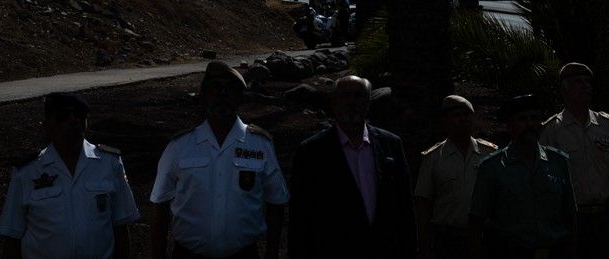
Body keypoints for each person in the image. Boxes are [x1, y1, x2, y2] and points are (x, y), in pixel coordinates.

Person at [149, 61, 289, 259]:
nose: (222, 95)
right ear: (204, 96)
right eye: (215, 88)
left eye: (230, 89)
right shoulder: (180, 146)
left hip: (244, 254)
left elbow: (276, 202)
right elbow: (160, 204)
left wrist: (272, 253)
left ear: (240, 97)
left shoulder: (260, 144)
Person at [0, 92, 140, 259]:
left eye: (79, 115)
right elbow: (13, 236)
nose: (73, 121)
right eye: (62, 116)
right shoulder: (27, 172)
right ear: (47, 126)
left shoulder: (109, 163)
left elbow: (121, 226)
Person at [287, 74, 415, 259]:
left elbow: (405, 208)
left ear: (368, 103)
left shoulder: (391, 144)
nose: (352, 102)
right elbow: (300, 217)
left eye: (358, 96)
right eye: (345, 96)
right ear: (334, 103)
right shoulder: (311, 152)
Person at [539, 62, 609, 258]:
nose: (584, 86)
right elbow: (545, 182)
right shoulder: (551, 130)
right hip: (571, 219)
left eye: (587, 82)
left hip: (606, 218)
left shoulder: (608, 126)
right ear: (564, 89)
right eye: (577, 82)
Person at [469, 93, 576, 259]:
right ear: (510, 125)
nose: (530, 124)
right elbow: (477, 222)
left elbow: (570, 215)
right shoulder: (492, 168)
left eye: (534, 118)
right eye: (522, 119)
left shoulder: (558, 162)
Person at [415, 94, 498, 258]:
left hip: (484, 238)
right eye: (456, 115)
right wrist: (424, 245)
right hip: (448, 240)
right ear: (445, 121)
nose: (462, 119)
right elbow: (423, 204)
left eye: (466, 114)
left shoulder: (490, 153)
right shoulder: (433, 158)